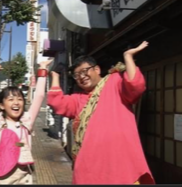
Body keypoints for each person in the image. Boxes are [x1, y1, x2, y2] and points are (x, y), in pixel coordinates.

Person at [47, 41, 155, 184]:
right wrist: (54, 77)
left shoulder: (115, 82)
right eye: (77, 74)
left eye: (85, 71)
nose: (81, 76)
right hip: (88, 171)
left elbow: (135, 86)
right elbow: (57, 103)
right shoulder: (78, 99)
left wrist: (128, 57)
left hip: (121, 167)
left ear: (97, 69)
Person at [0, 59, 53, 184]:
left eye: (19, 99)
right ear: (1, 105)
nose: (16, 103)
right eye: (11, 99)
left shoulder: (27, 119)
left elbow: (39, 95)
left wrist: (43, 69)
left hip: (23, 177)